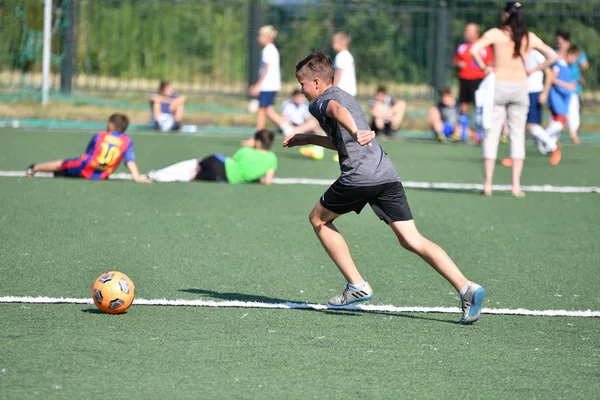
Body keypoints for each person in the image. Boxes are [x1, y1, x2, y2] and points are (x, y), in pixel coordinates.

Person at [282, 50, 485, 325]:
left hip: (359, 176)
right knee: (411, 239)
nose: (302, 90)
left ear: (317, 83)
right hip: (385, 173)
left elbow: (335, 112)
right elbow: (344, 138)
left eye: (302, 83)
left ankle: (356, 285)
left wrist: (353, 131)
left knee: (318, 218)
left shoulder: (320, 102)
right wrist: (309, 138)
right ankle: (467, 288)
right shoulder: (347, 96)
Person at [470, 1, 558, 197]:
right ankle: (516, 186)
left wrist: (485, 68)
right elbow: (552, 56)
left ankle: (488, 184)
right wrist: (533, 70)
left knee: (491, 133)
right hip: (520, 87)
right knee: (517, 135)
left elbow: (474, 50)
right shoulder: (528, 36)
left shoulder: (496, 33)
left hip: (498, 86)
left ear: (506, 15)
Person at [26, 114, 150, 183]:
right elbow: (129, 161)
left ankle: (33, 168)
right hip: (102, 173)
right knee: (65, 170)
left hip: (85, 167)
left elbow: (89, 153)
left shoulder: (101, 136)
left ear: (111, 124)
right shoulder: (127, 141)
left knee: (61, 164)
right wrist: (137, 177)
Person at [149, 130, 277, 185]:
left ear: (258, 142)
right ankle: (164, 177)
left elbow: (233, 160)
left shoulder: (246, 151)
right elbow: (268, 181)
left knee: (195, 164)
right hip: (221, 178)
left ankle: (160, 173)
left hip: (219, 163)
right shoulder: (272, 158)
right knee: (193, 176)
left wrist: (247, 146)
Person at [454, 23, 493, 142]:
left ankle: (480, 134)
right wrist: (458, 64)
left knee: (479, 107)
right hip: (464, 79)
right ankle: (463, 134)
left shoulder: (484, 47)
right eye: (466, 30)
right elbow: (456, 61)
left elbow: (490, 63)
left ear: (476, 33)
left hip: (478, 80)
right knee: (464, 106)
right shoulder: (462, 46)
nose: (466, 33)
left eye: (469, 31)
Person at [555, 30, 589, 144]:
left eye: (559, 40)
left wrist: (579, 76)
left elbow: (584, 65)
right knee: (558, 110)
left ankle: (573, 134)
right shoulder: (555, 51)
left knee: (573, 110)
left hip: (572, 87)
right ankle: (555, 135)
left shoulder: (575, 51)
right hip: (558, 87)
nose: (557, 43)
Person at [332, 32, 357, 97]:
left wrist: (331, 87)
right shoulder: (348, 55)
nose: (332, 45)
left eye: (334, 43)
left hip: (342, 91)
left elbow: (339, 74)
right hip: (349, 92)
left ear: (341, 43)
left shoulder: (341, 56)